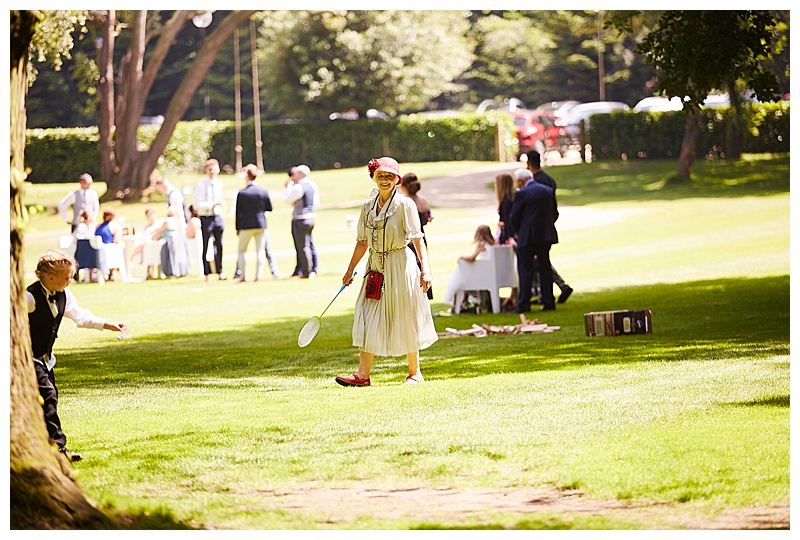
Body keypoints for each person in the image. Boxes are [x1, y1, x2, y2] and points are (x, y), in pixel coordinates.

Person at [335, 157, 438, 387]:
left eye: (389, 176)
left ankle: (415, 373)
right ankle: (362, 375)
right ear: (373, 177)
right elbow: (362, 241)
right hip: (375, 267)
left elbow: (418, 239)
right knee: (367, 313)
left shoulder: (405, 205)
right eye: (380, 175)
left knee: (406, 315)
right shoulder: (367, 206)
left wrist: (426, 270)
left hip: (401, 264)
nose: (384, 180)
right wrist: (349, 270)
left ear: (397, 179)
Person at [26, 249, 126, 462]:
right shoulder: (29, 298)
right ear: (50, 277)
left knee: (48, 399)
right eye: (67, 277)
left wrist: (108, 325)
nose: (71, 280)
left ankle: (41, 447)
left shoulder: (64, 295)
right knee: (48, 395)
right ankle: (59, 450)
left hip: (45, 359)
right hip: (28, 358)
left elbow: (81, 316)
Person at [524, 150, 574, 304]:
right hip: (548, 225)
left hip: (536, 229)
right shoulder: (549, 180)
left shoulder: (534, 182)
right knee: (543, 262)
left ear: (528, 163)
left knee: (539, 263)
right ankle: (554, 289)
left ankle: (543, 294)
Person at [509, 170, 559, 312]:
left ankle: (524, 303)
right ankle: (548, 301)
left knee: (525, 269)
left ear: (520, 181)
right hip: (545, 235)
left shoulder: (522, 194)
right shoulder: (548, 191)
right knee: (545, 268)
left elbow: (514, 216)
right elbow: (554, 213)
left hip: (528, 236)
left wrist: (521, 230)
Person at [234, 164, 275, 282]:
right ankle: (258, 275)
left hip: (245, 225)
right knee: (260, 251)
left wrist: (237, 228)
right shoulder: (263, 191)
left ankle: (243, 276)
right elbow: (269, 208)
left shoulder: (242, 193)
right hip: (260, 224)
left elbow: (238, 212)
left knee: (242, 251)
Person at [443, 225, 496, 312]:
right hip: (490, 273)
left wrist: (462, 258)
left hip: (482, 275)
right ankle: (463, 302)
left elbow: (472, 258)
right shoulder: (494, 245)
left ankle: (455, 305)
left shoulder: (481, 245)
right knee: (462, 275)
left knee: (459, 275)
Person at [400, 172, 434, 300]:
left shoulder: (406, 202)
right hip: (422, 238)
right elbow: (429, 218)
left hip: (409, 240)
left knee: (411, 268)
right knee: (423, 266)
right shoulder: (423, 200)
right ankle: (425, 294)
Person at [283, 164, 319, 279]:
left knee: (303, 247)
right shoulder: (312, 185)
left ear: (299, 174)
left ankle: (306, 272)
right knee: (311, 244)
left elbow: (287, 199)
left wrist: (288, 187)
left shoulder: (298, 187)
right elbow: (316, 202)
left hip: (300, 218)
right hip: (311, 217)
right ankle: (314, 269)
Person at [194, 158, 227, 281]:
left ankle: (220, 271)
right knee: (205, 244)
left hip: (217, 216)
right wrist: (212, 204)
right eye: (210, 169)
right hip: (206, 216)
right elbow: (197, 204)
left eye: (215, 169)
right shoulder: (202, 185)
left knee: (219, 244)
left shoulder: (219, 183)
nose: (213, 172)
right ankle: (206, 273)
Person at [495, 173, 516, 246]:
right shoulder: (515, 197)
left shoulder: (505, 201)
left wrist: (510, 237)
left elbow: (507, 219)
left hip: (508, 234)